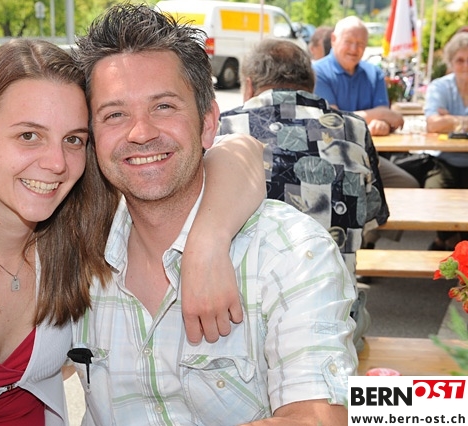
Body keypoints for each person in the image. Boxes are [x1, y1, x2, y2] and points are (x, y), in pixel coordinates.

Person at [0, 38, 266, 424]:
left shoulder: (82, 236)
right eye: (29, 135)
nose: (57, 163)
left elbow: (242, 151)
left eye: (74, 139)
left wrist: (207, 242)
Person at [69, 4, 357, 425]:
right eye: (115, 114)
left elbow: (317, 419)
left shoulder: (290, 254)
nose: (141, 132)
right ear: (92, 138)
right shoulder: (71, 252)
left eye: (164, 107)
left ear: (208, 124)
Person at [218, 38, 390, 351]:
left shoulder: (222, 129)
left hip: (240, 329)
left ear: (249, 85)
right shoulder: (354, 129)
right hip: (333, 326)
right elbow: (368, 218)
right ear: (311, 85)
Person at [312, 16, 418, 249]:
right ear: (334, 39)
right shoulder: (317, 72)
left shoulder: (373, 73)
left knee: (408, 184)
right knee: (354, 191)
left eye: (360, 44)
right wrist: (375, 115)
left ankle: (370, 240)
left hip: (367, 157)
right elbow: (333, 121)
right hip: (331, 157)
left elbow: (388, 119)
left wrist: (380, 121)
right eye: (349, 42)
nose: (354, 48)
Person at [424, 32, 468, 250]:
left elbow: (441, 122)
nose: (466, 65)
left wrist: (450, 119)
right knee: (433, 191)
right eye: (460, 60)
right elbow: (433, 124)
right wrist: (463, 121)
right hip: (445, 161)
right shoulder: (440, 87)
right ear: (451, 62)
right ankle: (445, 239)